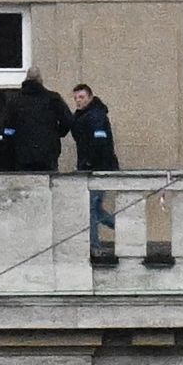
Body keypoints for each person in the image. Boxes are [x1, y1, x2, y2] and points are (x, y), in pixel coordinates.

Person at [71, 84, 119, 252]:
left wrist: (90, 163)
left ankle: (94, 246)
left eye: (82, 97)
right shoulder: (81, 116)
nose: (78, 101)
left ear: (90, 97)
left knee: (90, 207)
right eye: (76, 98)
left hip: (99, 169)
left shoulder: (96, 115)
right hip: (90, 167)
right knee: (95, 209)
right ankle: (126, 229)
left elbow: (100, 142)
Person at [2, 66, 73, 171]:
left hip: (22, 154)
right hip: (48, 153)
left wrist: (11, 144)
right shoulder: (53, 98)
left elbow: (8, 128)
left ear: (26, 79)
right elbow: (68, 120)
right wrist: (57, 133)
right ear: (41, 80)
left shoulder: (15, 101)